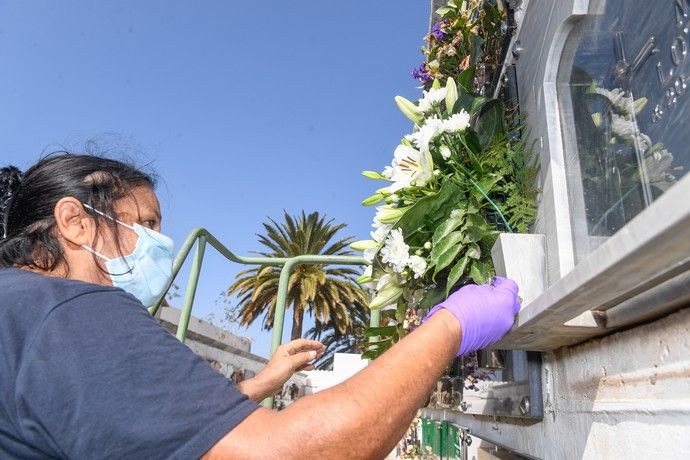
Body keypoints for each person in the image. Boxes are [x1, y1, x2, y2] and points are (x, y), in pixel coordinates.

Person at [0, 153, 521, 459]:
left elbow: (124, 419)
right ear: (74, 221)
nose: (160, 243)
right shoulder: (71, 313)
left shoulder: (21, 310)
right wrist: (448, 326)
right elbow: (290, 455)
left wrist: (258, 386)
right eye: (146, 224)